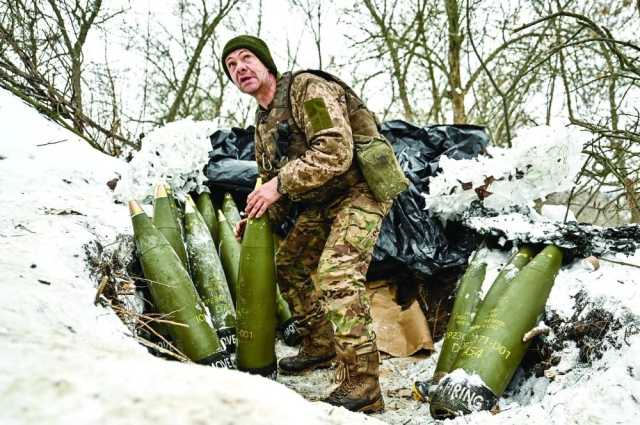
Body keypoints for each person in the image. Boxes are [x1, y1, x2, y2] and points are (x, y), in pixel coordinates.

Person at [222, 35, 392, 413]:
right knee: (290, 265)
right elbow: (273, 183)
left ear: (267, 65)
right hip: (321, 199)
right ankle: (320, 344)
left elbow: (334, 148)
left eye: (246, 58)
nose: (240, 68)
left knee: (337, 275)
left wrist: (277, 185)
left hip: (359, 189)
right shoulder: (263, 121)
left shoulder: (306, 89)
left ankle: (364, 387)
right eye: (232, 66)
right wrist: (256, 218)